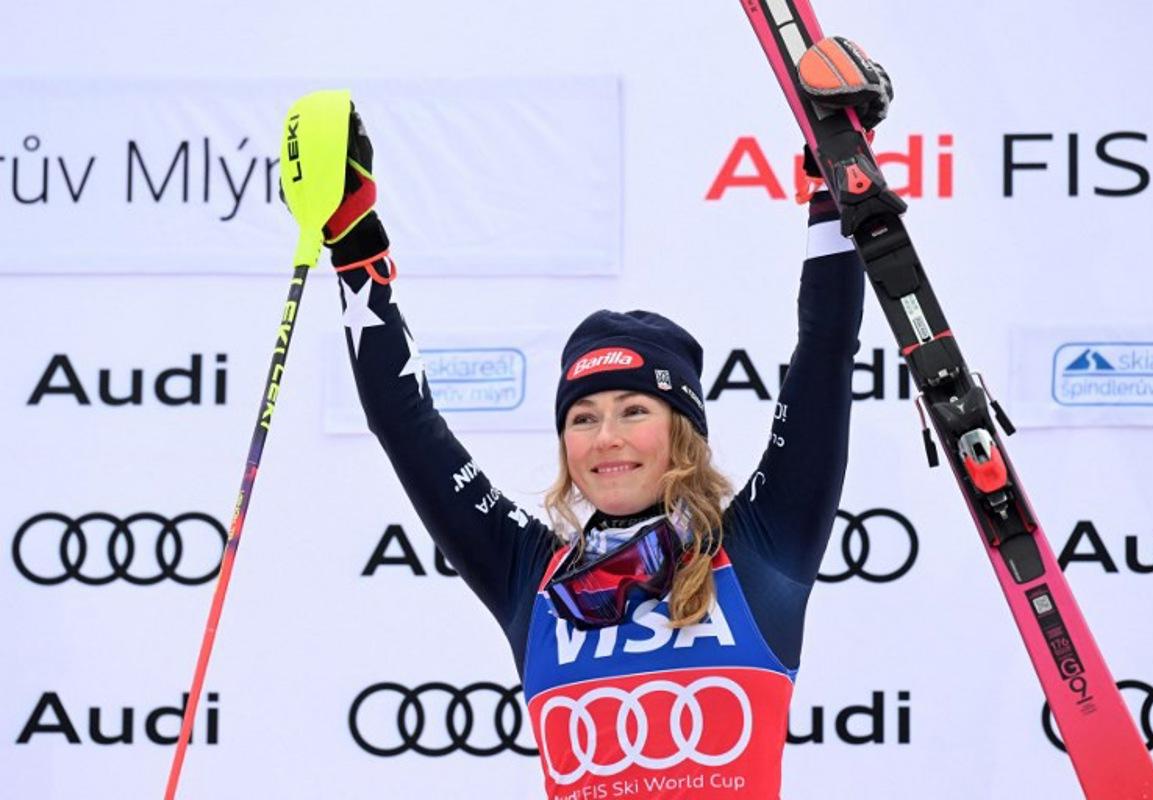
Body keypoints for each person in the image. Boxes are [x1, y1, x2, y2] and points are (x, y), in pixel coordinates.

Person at [301, 37, 890, 800]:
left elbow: (824, 358)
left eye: (633, 410)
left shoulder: (761, 544)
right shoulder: (531, 577)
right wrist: (352, 242)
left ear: (681, 431)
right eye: (581, 418)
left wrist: (833, 182)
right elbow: (402, 421)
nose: (605, 438)